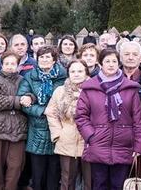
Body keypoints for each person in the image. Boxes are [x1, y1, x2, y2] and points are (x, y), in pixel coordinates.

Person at [75, 49, 141, 190]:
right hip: (98, 144)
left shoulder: (129, 88)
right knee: (99, 184)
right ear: (100, 64)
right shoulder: (90, 88)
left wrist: (139, 146)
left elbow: (138, 119)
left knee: (118, 185)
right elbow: (81, 116)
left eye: (114, 61)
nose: (111, 64)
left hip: (124, 146)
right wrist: (91, 135)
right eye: (107, 61)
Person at [17, 46, 67, 190]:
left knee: (54, 171)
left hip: (57, 128)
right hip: (36, 128)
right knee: (37, 173)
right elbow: (23, 101)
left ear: (54, 60)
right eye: (41, 57)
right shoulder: (30, 77)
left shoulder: (63, 78)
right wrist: (43, 110)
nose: (44, 60)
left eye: (47, 57)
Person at [0, 51, 27, 190]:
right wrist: (17, 101)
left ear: (18, 65)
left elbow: (29, 95)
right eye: (6, 63)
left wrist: (30, 97)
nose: (9, 66)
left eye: (13, 63)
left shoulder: (23, 80)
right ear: (1, 65)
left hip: (18, 128)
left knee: (16, 164)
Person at [45, 59, 91, 190]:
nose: (76, 74)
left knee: (90, 180)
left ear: (86, 72)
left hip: (89, 141)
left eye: (80, 71)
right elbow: (51, 113)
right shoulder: (60, 91)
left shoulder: (94, 89)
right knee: (67, 179)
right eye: (73, 71)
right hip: (66, 139)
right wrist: (58, 134)